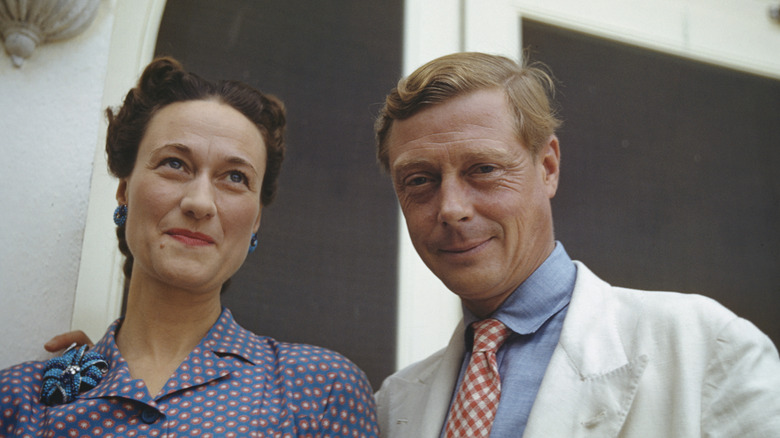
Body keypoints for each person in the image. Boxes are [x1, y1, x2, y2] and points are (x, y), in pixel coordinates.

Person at [372, 52, 780, 437]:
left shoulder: (705, 346)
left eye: (484, 169)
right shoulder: (392, 405)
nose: (451, 208)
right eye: (419, 180)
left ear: (548, 167)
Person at [0, 57, 379, 437]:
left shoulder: (319, 392)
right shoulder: (20, 400)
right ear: (123, 191)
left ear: (256, 219)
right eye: (174, 164)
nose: (199, 202)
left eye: (234, 177)